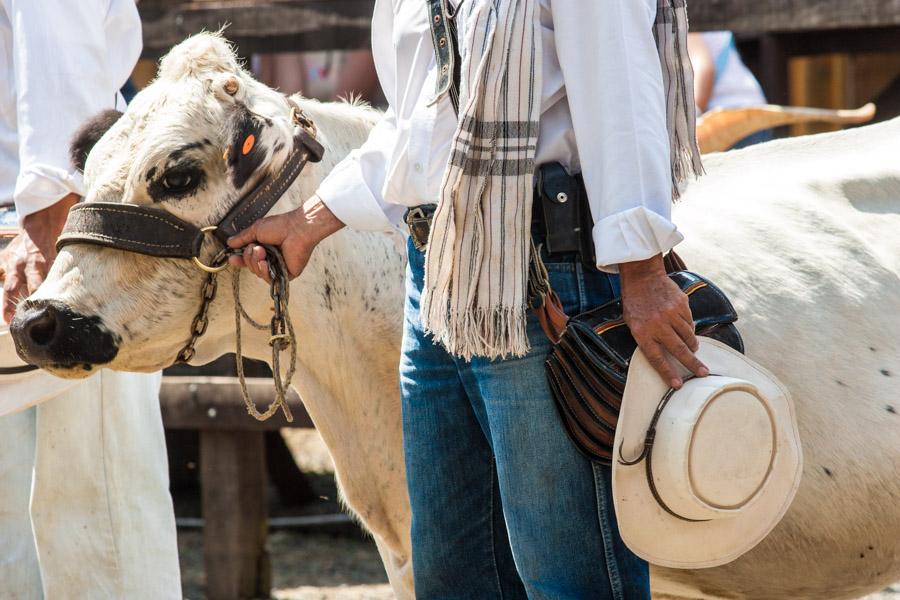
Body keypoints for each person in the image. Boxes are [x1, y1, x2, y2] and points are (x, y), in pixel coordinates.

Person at [229, 1, 706, 597]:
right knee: (456, 575)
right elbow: (419, 128)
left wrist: (643, 271)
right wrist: (307, 222)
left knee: (570, 576)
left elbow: (620, 84)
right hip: (435, 272)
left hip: (539, 270)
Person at [0, 2, 182, 598]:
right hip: (34, 220)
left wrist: (55, 215)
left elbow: (60, 40)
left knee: (96, 525)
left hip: (53, 231)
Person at [689, 31, 772, 147]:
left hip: (728, 117)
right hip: (748, 111)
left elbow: (703, 69)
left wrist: (688, 121)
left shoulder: (679, 19)